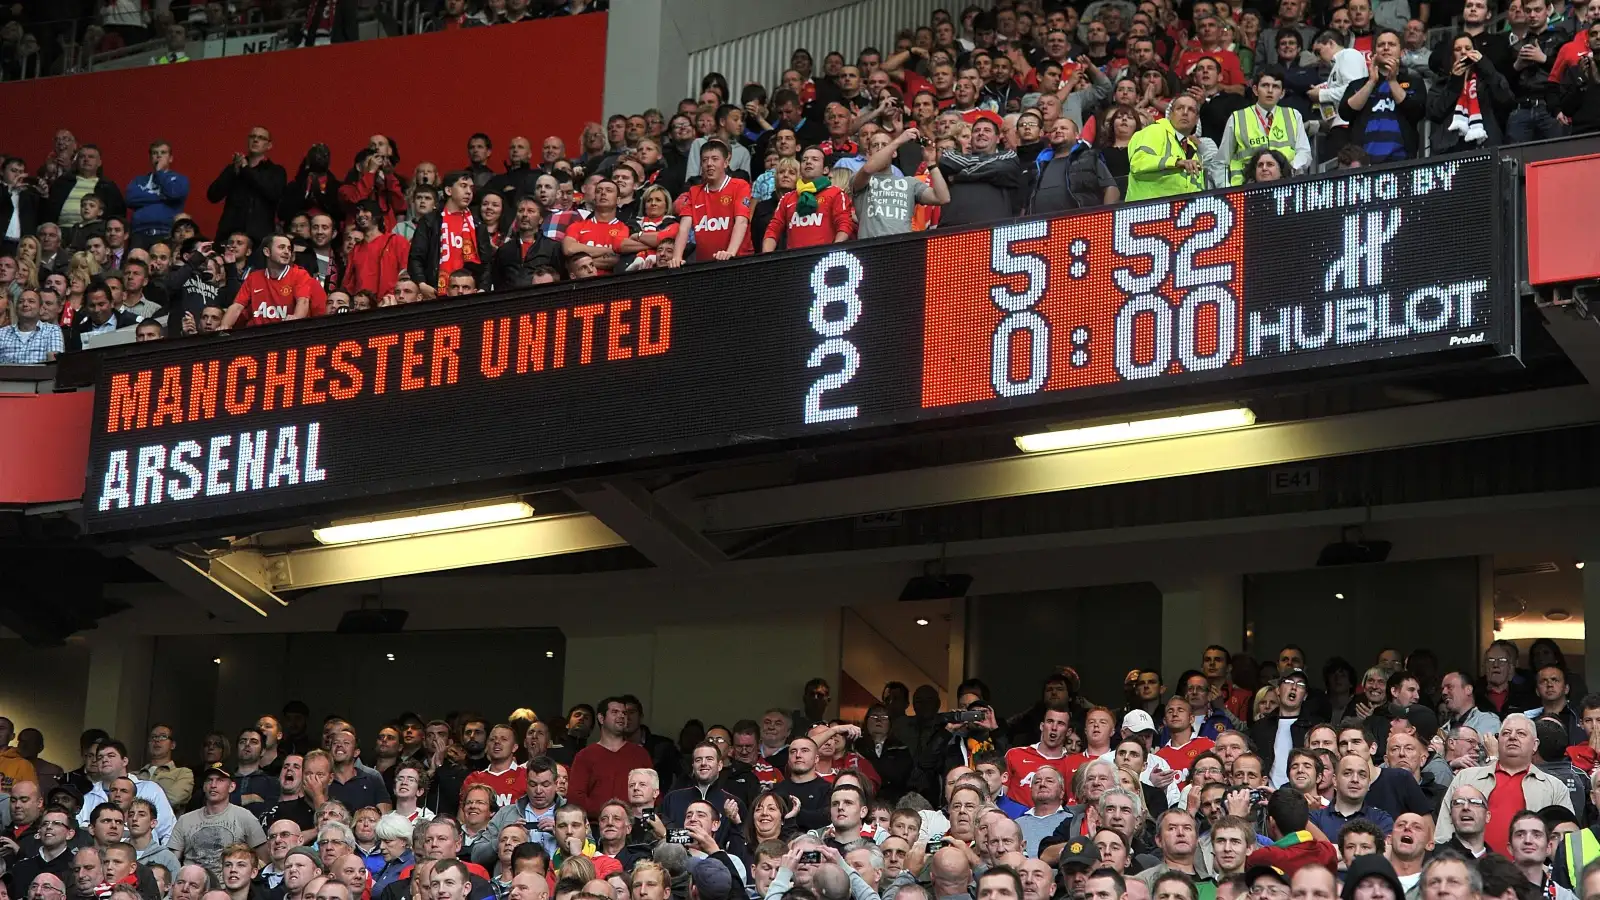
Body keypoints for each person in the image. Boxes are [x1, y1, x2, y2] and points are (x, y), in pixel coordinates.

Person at [1435, 714, 1573, 856]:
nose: (1512, 737)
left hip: (1530, 872)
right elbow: (1444, 830)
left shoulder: (1555, 787)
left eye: (1521, 733)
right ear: (1498, 740)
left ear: (1535, 744)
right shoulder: (1466, 777)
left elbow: (1566, 841)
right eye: (1506, 733)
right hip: (1469, 871)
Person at [170, 768, 269, 881]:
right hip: (192, 886)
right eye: (209, 780)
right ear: (203, 786)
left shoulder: (245, 817)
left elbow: (264, 860)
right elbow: (172, 862)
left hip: (228, 889)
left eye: (220, 780)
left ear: (231, 786)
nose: (213, 785)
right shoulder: (185, 820)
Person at [1217, 67, 1310, 184]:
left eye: (1275, 86)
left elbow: (1304, 152)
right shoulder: (1237, 118)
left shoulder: (1293, 115)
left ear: (1282, 93)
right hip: (1244, 190)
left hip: (1285, 185)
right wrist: (1226, 189)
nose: (1270, 90)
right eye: (1265, 85)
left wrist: (1290, 169)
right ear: (1255, 90)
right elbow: (1221, 161)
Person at [409, 171, 493, 294]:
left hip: (469, 294)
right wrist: (422, 284)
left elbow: (486, 263)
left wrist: (482, 289)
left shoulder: (477, 224)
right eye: (463, 186)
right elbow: (416, 257)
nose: (469, 192)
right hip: (435, 292)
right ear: (448, 191)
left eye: (471, 188)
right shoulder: (430, 221)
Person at [568, 699, 653, 819]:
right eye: (615, 712)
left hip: (633, 827)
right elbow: (575, 797)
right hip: (596, 827)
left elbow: (653, 793)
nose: (621, 716)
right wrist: (607, 814)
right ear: (601, 718)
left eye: (624, 713)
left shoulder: (640, 754)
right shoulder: (585, 756)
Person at [938, 113, 1023, 227]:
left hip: (994, 229)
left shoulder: (1008, 156)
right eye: (977, 130)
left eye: (987, 130)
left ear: (997, 139)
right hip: (951, 230)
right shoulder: (950, 156)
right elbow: (945, 160)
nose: (981, 133)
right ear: (971, 137)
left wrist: (960, 175)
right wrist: (983, 170)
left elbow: (1000, 168)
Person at [219, 233, 320, 328]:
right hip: (257, 336)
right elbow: (237, 307)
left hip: (285, 334)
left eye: (289, 249)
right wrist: (224, 327)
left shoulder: (299, 274)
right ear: (267, 252)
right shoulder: (253, 277)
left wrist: (296, 319)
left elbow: (303, 301)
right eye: (281, 247)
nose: (286, 252)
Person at [206, 127, 287, 244]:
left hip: (259, 238)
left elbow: (273, 194)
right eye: (252, 137)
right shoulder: (234, 168)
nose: (255, 140)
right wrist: (233, 171)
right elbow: (213, 195)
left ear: (269, 145)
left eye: (261, 138)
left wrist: (246, 169)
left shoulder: (275, 171)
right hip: (229, 235)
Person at [1028, 117, 1118, 212]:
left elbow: (1111, 188)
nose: (1058, 131)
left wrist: (1105, 216)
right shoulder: (1039, 165)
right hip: (1042, 224)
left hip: (1081, 223)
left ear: (1077, 135)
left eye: (1063, 128)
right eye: (1054, 130)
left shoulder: (1089, 158)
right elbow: (1026, 203)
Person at [1127, 95, 1204, 201]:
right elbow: (1138, 162)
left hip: (1179, 213)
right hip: (1146, 211)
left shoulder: (1193, 150)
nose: (1185, 112)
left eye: (1191, 110)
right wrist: (1176, 162)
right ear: (1170, 114)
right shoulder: (1155, 131)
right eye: (1179, 108)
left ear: (1196, 119)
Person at [124, 141, 189, 245]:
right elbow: (130, 199)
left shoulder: (179, 179)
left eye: (163, 153)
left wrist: (160, 173)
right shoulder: (139, 180)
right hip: (139, 233)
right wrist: (162, 197)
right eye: (155, 153)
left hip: (167, 232)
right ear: (150, 158)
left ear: (171, 158)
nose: (159, 156)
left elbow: (174, 193)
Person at [0, 288, 63, 364]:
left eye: (31, 301)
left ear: (41, 309)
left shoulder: (52, 330)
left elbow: (54, 365)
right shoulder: (2, 333)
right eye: (21, 302)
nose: (25, 304)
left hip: (41, 375)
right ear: (16, 309)